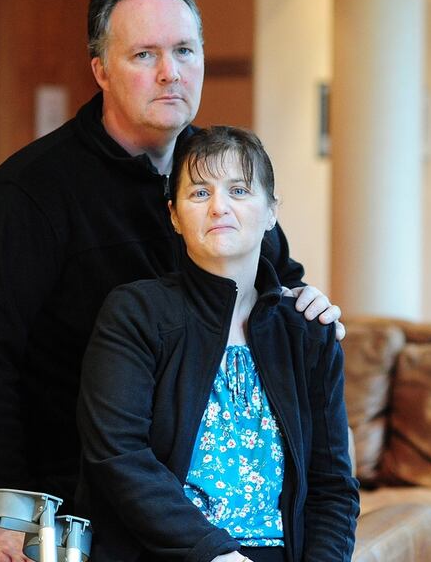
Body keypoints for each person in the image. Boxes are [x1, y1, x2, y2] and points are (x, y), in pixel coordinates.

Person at [0, 0, 344, 560]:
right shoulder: (26, 197)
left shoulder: (223, 176)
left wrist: (308, 301)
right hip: (88, 493)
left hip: (228, 506)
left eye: (184, 50)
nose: (170, 74)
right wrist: (14, 508)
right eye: (144, 55)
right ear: (101, 70)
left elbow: (276, 286)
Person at [77, 126, 358, 562]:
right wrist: (216, 554)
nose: (219, 208)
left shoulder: (308, 331)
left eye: (240, 190)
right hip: (169, 554)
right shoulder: (135, 313)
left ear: (270, 212)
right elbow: (119, 456)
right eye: (199, 194)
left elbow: (332, 486)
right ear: (173, 215)